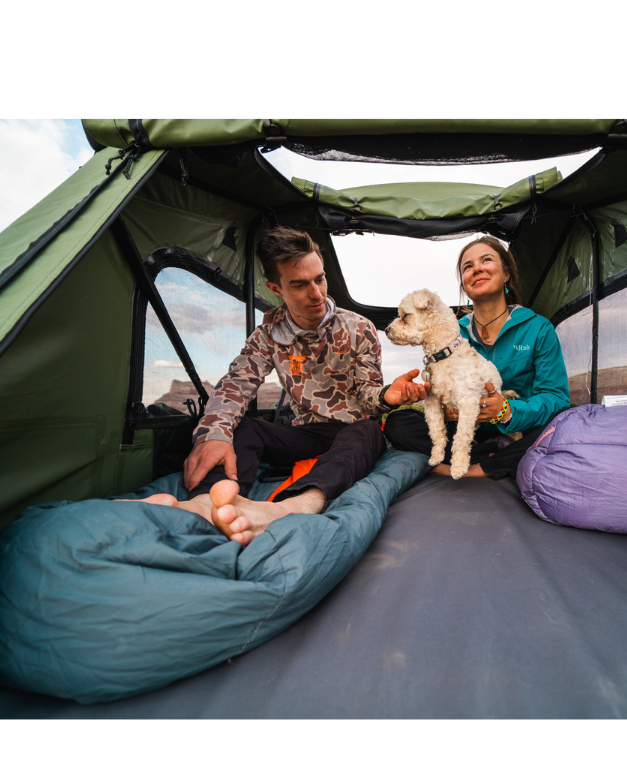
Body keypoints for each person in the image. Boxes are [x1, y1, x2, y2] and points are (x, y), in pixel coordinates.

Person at [135, 227, 427, 545]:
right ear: (277, 288)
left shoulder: (359, 328)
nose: (316, 294)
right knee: (241, 428)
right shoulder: (268, 336)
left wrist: (386, 395)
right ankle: (208, 504)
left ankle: (294, 506)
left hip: (351, 432)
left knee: (369, 431)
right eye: (300, 285)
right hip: (302, 435)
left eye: (320, 279)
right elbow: (235, 385)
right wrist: (213, 434)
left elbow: (366, 393)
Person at [383, 235, 570, 478]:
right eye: (467, 267)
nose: (477, 269)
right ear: (464, 284)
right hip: (461, 432)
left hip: (519, 430)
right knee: (399, 422)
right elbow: (440, 392)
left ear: (506, 274)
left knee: (561, 422)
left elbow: (556, 398)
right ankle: (495, 459)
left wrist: (507, 411)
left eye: (486, 260)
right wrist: (443, 408)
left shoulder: (538, 328)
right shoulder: (449, 332)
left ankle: (478, 466)